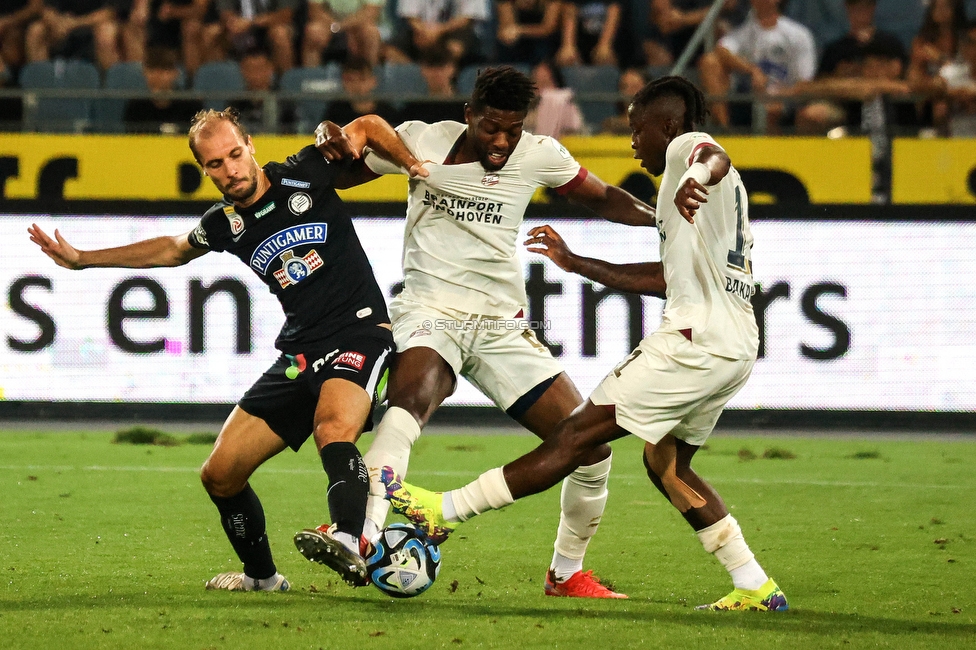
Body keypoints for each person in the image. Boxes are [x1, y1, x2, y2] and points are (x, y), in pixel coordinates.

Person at [380, 75, 790, 612]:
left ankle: (446, 509)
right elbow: (665, 277)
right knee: (665, 463)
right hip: (737, 340)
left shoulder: (686, 153)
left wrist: (693, 173)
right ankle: (754, 584)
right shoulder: (717, 201)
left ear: (666, 126)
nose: (632, 142)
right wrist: (575, 263)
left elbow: (712, 154)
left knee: (576, 436)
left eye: (637, 129)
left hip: (693, 339)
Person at [298, 66, 668, 598]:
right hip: (430, 310)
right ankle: (357, 533)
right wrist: (331, 140)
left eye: (512, 130)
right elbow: (338, 172)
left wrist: (660, 220)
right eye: (491, 127)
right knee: (405, 409)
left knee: (592, 452)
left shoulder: (538, 153)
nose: (501, 141)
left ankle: (565, 575)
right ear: (468, 115)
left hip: (501, 324)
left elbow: (602, 196)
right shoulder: (425, 141)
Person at [28, 107, 428, 591]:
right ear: (204, 170)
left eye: (235, 154)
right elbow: (173, 249)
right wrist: (84, 260)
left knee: (332, 427)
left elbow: (367, 125)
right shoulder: (225, 224)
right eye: (215, 164)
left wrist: (411, 165)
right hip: (300, 353)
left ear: (251, 145)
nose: (230, 169)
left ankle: (348, 536)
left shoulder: (304, 171)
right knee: (219, 474)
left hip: (359, 331)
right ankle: (262, 578)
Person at [697, 0, 816, 132]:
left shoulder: (798, 34)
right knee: (709, 62)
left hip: (785, 97)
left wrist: (776, 94)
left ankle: (772, 149)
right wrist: (752, 70)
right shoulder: (745, 30)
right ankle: (725, 131)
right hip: (748, 95)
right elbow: (721, 50)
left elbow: (805, 83)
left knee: (772, 107)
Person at [124, 45, 203, 133]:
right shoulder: (136, 106)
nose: (157, 75)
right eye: (152, 69)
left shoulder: (191, 104)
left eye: (164, 69)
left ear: (175, 73)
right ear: (144, 72)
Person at [25, 0, 121, 70]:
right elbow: (46, 9)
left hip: (93, 24)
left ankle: (111, 91)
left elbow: (110, 12)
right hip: (61, 26)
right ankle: (42, 89)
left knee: (106, 32)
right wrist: (56, 23)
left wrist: (74, 23)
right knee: (36, 31)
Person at [302, 0, 385, 67]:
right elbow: (315, 10)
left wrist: (342, 27)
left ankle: (370, 80)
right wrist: (336, 26)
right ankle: (311, 81)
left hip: (358, 24)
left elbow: (370, 13)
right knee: (313, 32)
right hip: (328, 23)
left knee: (370, 33)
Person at [323, 56, 399, 126]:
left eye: (362, 79)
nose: (356, 85)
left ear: (373, 81)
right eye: (350, 80)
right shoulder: (335, 112)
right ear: (343, 82)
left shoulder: (388, 113)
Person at [524, 58, 585, 138]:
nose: (540, 90)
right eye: (535, 83)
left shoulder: (568, 107)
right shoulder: (522, 116)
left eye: (545, 84)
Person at [496, 0, 563, 66]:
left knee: (542, 47)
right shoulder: (506, 3)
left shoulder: (551, 2)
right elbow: (507, 29)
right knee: (506, 46)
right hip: (519, 43)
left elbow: (548, 28)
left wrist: (520, 30)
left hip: (544, 41)